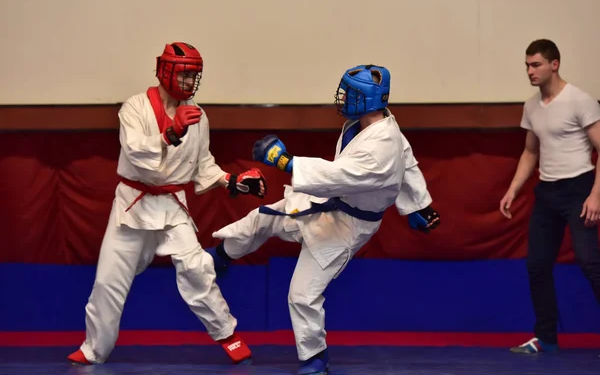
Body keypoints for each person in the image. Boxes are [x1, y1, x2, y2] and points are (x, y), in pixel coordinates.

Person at [206, 64, 439, 374]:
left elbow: (340, 176)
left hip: (347, 226)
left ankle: (315, 358)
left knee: (302, 294)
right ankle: (221, 256)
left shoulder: (382, 146)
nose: (342, 98)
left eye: (350, 93)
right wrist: (418, 205)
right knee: (263, 218)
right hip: (329, 204)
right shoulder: (368, 124)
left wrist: (284, 162)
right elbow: (407, 162)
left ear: (367, 99)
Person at [67, 42, 266, 365]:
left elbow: (203, 164)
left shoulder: (198, 116)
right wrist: (170, 133)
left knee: (197, 269)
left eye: (194, 77)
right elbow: (134, 151)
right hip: (132, 205)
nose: (189, 83)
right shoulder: (134, 108)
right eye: (184, 75)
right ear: (164, 70)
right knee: (108, 281)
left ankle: (228, 336)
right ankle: (94, 349)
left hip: (172, 207)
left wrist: (232, 181)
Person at [499, 39, 600, 354]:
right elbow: (531, 152)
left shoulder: (579, 100)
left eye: (536, 64)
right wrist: (513, 189)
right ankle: (546, 337)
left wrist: (596, 196)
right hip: (547, 192)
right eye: (527, 65)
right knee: (537, 265)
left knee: (589, 262)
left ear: (554, 64)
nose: (530, 71)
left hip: (580, 188)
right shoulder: (531, 106)